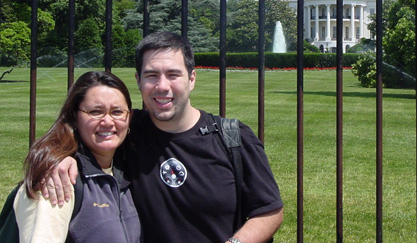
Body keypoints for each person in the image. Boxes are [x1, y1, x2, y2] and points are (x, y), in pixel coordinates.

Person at [45, 32, 284, 243]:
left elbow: (269, 210)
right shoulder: (127, 130)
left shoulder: (232, 137)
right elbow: (82, 129)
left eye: (173, 74)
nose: (162, 86)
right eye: (151, 75)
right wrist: (62, 156)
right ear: (138, 80)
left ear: (191, 79)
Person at [15, 71, 143, 243]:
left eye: (117, 112)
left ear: (129, 118)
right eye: (95, 112)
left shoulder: (125, 169)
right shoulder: (58, 181)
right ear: (75, 117)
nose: (107, 121)